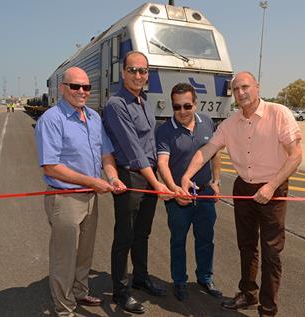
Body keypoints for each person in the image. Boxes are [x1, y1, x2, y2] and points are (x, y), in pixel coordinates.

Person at [181, 71, 302, 317]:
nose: (241, 93)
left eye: (245, 87)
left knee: (271, 252)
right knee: (246, 246)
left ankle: (268, 309)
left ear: (257, 87)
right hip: (244, 188)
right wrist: (186, 176)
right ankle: (248, 294)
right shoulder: (229, 123)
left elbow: (296, 155)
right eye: (236, 89)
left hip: (273, 188)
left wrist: (271, 186)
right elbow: (207, 150)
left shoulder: (278, 113)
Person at [35, 67, 126, 317]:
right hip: (65, 198)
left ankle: (79, 290)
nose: (82, 92)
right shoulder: (52, 119)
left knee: (85, 250)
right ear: (63, 88)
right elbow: (51, 166)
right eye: (76, 87)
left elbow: (105, 153)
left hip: (90, 196)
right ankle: (64, 308)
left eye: (86, 87)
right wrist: (92, 181)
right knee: (64, 257)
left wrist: (113, 177)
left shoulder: (94, 117)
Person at [102, 51, 173, 314]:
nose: (138, 75)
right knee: (125, 236)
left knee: (142, 233)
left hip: (148, 175)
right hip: (131, 176)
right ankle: (121, 292)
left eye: (143, 71)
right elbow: (134, 150)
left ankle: (140, 278)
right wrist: (157, 183)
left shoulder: (144, 101)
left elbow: (151, 144)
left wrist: (159, 178)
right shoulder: (116, 104)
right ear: (123, 73)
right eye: (133, 70)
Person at [156, 83, 222, 302]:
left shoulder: (207, 123)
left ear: (196, 103)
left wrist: (216, 180)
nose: (182, 112)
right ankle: (180, 281)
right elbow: (162, 163)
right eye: (176, 107)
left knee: (206, 239)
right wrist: (174, 189)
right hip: (178, 198)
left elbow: (215, 154)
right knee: (178, 240)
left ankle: (205, 277)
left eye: (187, 106)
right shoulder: (164, 130)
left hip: (204, 195)